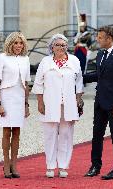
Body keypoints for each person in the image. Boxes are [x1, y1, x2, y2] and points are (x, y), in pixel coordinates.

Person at [32, 34, 83, 178]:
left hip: (69, 104)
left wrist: (79, 99)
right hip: (50, 103)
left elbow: (79, 82)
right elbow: (38, 83)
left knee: (66, 135)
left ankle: (63, 166)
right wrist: (40, 102)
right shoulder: (45, 61)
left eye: (64, 45)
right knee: (50, 135)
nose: (61, 47)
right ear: (52, 47)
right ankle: (50, 166)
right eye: (58, 45)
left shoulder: (74, 60)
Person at [83, 26, 113, 180]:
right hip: (100, 102)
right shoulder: (101, 54)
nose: (97, 39)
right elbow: (99, 74)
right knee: (97, 135)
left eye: (100, 37)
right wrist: (80, 77)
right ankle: (95, 166)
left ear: (109, 38)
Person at [0, 32, 31, 178]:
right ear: (10, 44)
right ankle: (6, 164)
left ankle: (14, 165)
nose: (18, 46)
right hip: (6, 97)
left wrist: (26, 104)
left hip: (19, 97)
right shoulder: (1, 58)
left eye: (21, 43)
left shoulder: (26, 59)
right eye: (15, 43)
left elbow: (26, 83)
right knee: (6, 132)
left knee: (17, 132)